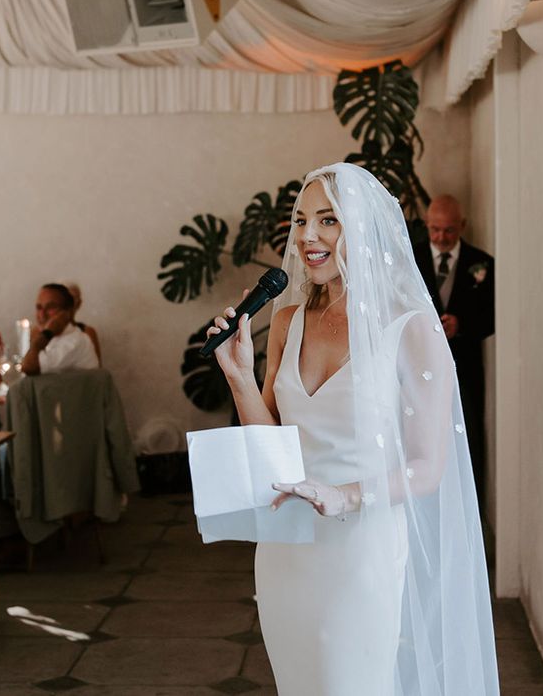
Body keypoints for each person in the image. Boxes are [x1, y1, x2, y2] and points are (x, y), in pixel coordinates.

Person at [207, 163, 498, 695]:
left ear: (363, 230)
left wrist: (341, 496)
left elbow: (428, 467)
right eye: (299, 221)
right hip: (286, 549)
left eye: (327, 220)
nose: (307, 236)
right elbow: (270, 440)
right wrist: (238, 377)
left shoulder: (411, 329)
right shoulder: (288, 321)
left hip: (361, 546)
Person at [413, 195, 494, 507]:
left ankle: (465, 504)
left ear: (462, 226)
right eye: (434, 230)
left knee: (468, 433)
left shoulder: (483, 263)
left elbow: (491, 316)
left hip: (466, 366)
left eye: (448, 231)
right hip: (419, 365)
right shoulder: (413, 259)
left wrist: (462, 325)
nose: (440, 237)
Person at [20, 283, 98, 375]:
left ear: (67, 312)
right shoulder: (55, 338)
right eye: (39, 307)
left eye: (50, 307)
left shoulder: (75, 342)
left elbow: (28, 367)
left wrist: (47, 333)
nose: (42, 314)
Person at [67, 282, 102, 364]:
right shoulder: (40, 333)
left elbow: (97, 370)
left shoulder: (88, 332)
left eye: (73, 298)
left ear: (79, 303)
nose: (68, 303)